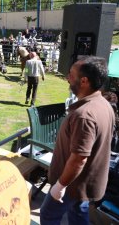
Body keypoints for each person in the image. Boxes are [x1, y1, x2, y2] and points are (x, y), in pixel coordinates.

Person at [40, 56, 115, 225]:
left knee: (48, 215)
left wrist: (59, 186)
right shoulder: (103, 104)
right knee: (78, 216)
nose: (67, 77)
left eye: (71, 74)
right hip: (84, 185)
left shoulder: (85, 115)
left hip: (72, 186)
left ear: (84, 81)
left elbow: (79, 159)